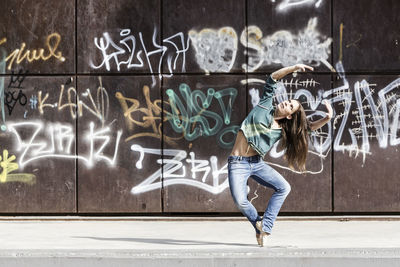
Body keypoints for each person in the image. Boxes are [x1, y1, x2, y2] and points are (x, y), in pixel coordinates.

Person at [228, 64, 333, 247]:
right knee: (240, 201)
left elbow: (307, 128)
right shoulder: (265, 104)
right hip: (238, 163)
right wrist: (293, 67)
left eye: (290, 106)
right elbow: (273, 78)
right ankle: (259, 226)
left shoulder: (282, 130)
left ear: (290, 116)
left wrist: (326, 119)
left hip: (257, 163)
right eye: (288, 101)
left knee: (284, 187)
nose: (286, 102)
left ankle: (266, 227)